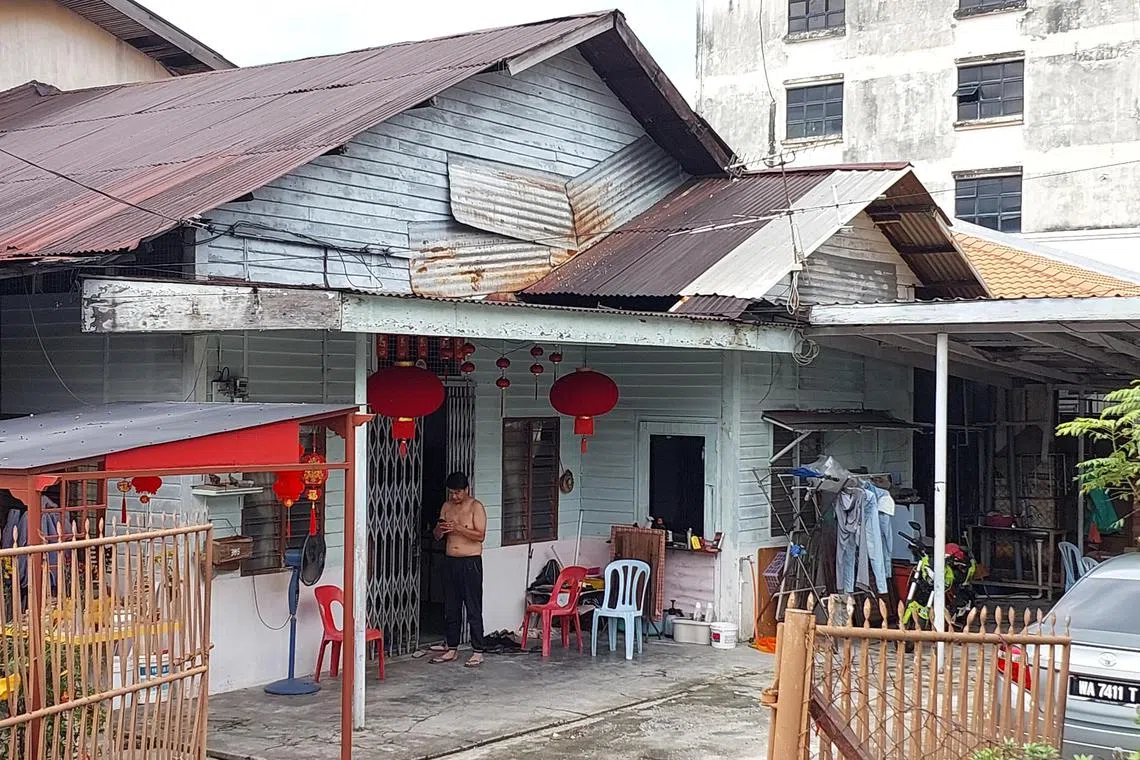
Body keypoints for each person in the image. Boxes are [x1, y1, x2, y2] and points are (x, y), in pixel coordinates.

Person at [430, 471, 487, 667]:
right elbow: (437, 535)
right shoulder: (446, 506)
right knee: (451, 607)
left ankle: (478, 650)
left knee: (472, 606)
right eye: (452, 493)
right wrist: (440, 530)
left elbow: (480, 535)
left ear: (466, 490)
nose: (454, 497)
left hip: (470, 562)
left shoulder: (475, 507)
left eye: (458, 493)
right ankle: (452, 648)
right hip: (450, 561)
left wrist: (458, 528)